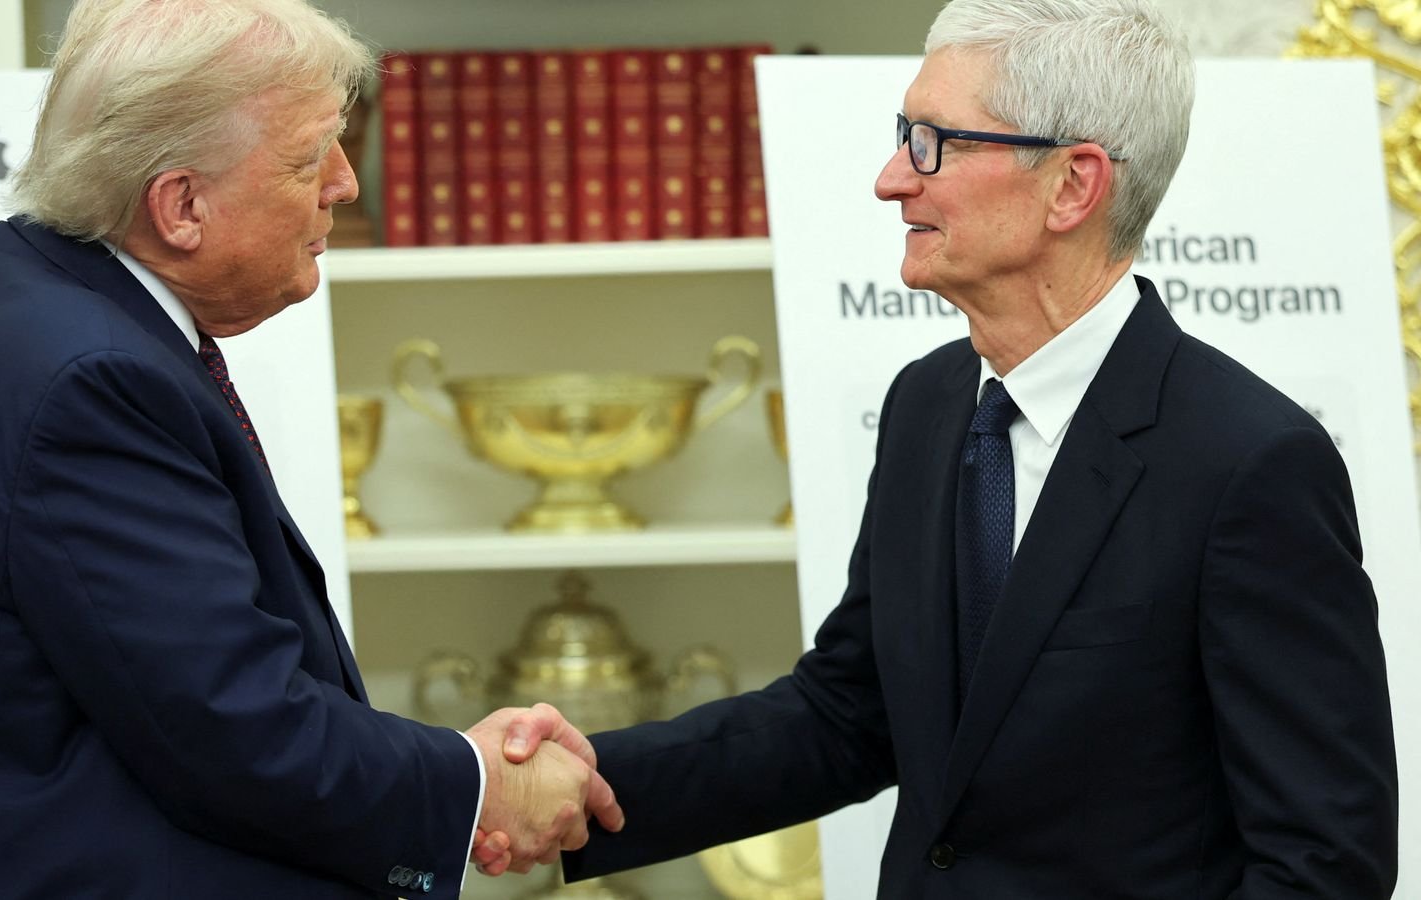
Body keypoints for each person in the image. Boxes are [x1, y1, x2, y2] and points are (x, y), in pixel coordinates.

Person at [483, 0, 1401, 896]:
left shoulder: (1251, 462)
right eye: (902, 135)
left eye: (934, 142)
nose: (891, 178)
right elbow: (850, 713)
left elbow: (1323, 859)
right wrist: (592, 777)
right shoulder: (927, 404)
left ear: (1074, 184)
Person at [0, 1, 619, 898]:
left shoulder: (35, 300)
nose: (344, 183)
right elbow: (234, 730)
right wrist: (476, 781)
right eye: (305, 158)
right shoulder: (87, 381)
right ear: (180, 206)